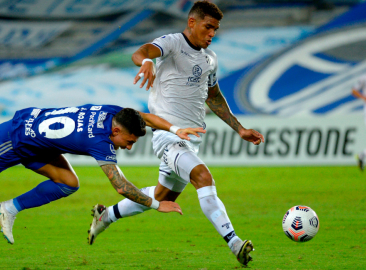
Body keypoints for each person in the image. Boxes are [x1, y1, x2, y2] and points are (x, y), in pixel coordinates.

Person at [87, 1, 264, 267]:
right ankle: (234, 242)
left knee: (161, 197)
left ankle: (106, 215)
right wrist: (147, 61)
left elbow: (214, 97)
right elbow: (143, 51)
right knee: (202, 177)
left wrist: (239, 128)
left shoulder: (210, 59)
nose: (212, 33)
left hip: (191, 141)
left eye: (215, 29)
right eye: (208, 27)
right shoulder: (172, 44)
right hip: (167, 137)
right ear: (192, 22)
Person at [0, 104, 205, 244]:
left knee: (68, 182)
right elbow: (121, 187)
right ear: (115, 131)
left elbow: (144, 118)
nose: (128, 146)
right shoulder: (101, 142)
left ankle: (8, 209)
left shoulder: (114, 113)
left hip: (38, 143)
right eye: (128, 141)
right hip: (14, 139)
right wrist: (156, 203)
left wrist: (175, 129)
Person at [351, 73, 366, 171]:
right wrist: (364, 97)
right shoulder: (364, 78)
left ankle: (362, 155)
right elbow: (354, 90)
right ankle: (362, 155)